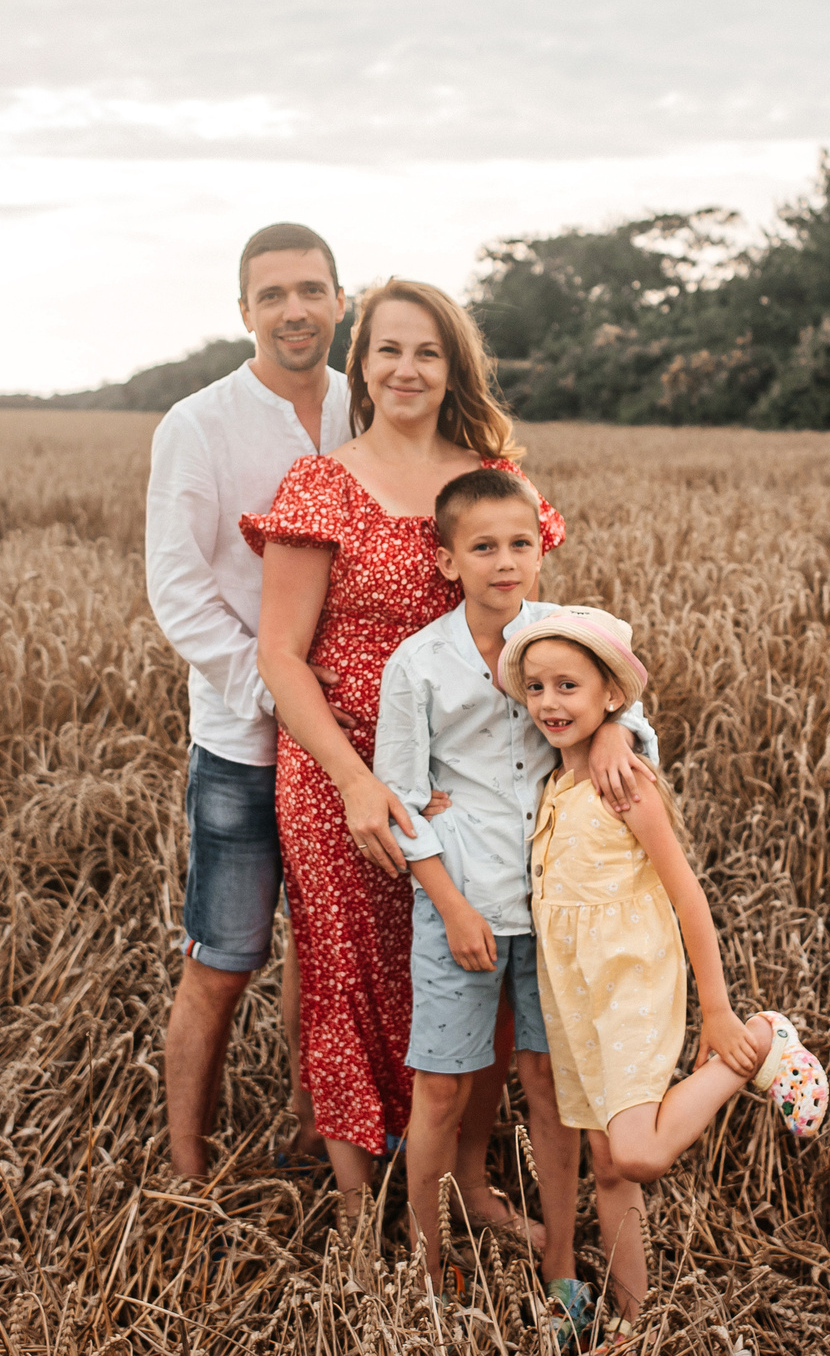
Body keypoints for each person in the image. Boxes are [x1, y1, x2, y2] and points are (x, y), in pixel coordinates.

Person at [241, 279, 646, 1249]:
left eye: (427, 350)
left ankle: (467, 1179)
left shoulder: (493, 481)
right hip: (343, 769)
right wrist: (356, 782)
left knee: (481, 967)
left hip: (478, 780)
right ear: (362, 363)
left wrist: (612, 725)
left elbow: (547, 625)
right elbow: (279, 655)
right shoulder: (321, 483)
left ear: (453, 366)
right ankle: (358, 1203)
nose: (407, 368)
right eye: (387, 349)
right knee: (347, 971)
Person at [374, 466, 660, 1307]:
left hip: (558, 907)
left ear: (542, 551)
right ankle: (430, 1269)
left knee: (550, 1083)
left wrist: (616, 732)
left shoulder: (564, 635)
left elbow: (624, 707)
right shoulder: (418, 663)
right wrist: (452, 906)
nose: (504, 561)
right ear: (447, 560)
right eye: (483, 546)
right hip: (460, 903)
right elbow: (401, 802)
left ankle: (561, 1262)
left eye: (521, 544)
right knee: (442, 1088)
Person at [505, 605, 830, 1339]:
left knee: (638, 1151)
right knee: (607, 1164)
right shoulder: (552, 789)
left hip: (630, 987)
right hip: (576, 1002)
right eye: (536, 687)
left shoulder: (626, 784)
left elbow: (688, 895)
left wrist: (717, 1011)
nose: (549, 702)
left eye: (568, 686)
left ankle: (761, 1041)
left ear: (611, 697)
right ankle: (635, 1322)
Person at [146, 222, 354, 1183]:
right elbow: (177, 586)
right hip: (244, 742)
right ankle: (188, 1165)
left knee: (328, 951)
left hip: (356, 741)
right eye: (272, 295)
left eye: (311, 290)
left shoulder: (367, 405)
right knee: (224, 959)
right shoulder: (198, 423)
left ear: (341, 301)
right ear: (244, 312)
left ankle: (316, 1130)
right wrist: (274, 689)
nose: (293, 310)